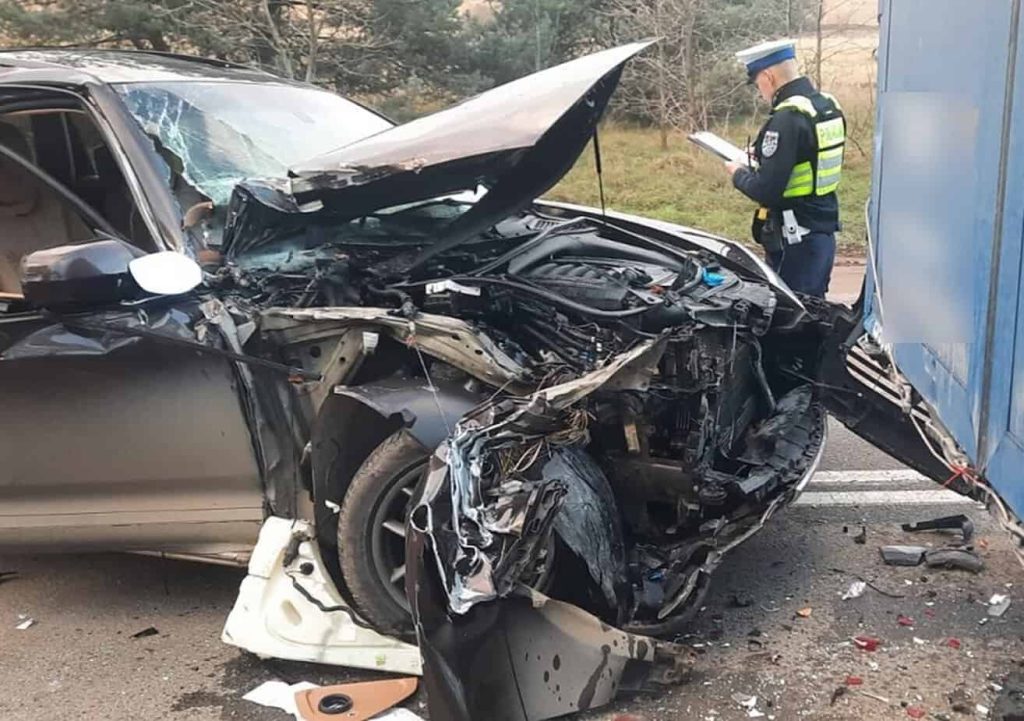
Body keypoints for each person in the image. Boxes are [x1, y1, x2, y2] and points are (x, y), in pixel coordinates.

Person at [725, 39, 846, 298]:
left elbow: (767, 191)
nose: (760, 91)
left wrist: (737, 174)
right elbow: (809, 157)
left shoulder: (787, 116)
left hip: (795, 238)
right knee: (814, 306)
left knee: (789, 312)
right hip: (822, 230)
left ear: (768, 76)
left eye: (757, 83)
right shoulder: (827, 106)